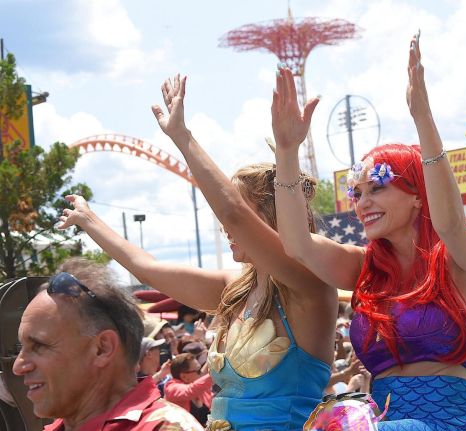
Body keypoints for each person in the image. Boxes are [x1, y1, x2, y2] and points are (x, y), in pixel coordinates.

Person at [58, 75, 338, 431]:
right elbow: (147, 269)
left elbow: (232, 212)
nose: (225, 227)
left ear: (271, 218)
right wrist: (90, 221)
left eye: (239, 216)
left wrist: (181, 136)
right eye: (224, 219)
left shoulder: (310, 284)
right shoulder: (234, 289)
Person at [272, 34, 466, 430]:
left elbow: (447, 220)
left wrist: (423, 118)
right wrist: (287, 155)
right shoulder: (365, 268)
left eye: (378, 188)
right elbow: (298, 245)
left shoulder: (463, 255)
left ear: (416, 197)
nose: (363, 204)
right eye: (357, 194)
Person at [12, 259, 203, 430]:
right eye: (21, 349)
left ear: (102, 349)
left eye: (38, 346)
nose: (18, 367)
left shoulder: (165, 427)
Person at [165, 353, 213, 426]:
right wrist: (216, 374)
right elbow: (190, 390)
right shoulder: (171, 387)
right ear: (184, 376)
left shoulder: (201, 389)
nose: (201, 373)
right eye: (198, 370)